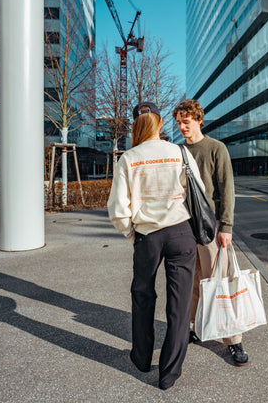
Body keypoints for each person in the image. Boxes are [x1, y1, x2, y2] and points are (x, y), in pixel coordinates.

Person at [107, 101, 205, 390]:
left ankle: (141, 358)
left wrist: (132, 234)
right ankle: (169, 374)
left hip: (148, 236)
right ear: (160, 124)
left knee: (142, 295)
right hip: (181, 233)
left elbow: (117, 209)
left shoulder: (129, 158)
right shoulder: (180, 152)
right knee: (179, 303)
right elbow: (196, 190)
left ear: (136, 125)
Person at [173, 99, 249, 366]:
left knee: (222, 281)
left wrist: (226, 226)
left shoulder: (216, 148)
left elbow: (226, 189)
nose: (182, 126)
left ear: (199, 120)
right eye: (179, 122)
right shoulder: (177, 151)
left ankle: (233, 340)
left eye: (187, 121)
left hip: (211, 226)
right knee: (192, 281)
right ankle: (195, 327)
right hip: (183, 226)